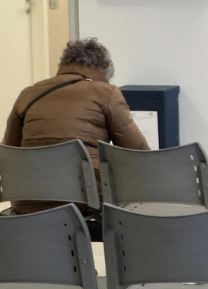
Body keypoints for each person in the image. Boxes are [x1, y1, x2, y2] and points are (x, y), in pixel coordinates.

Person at [3, 38, 149, 213]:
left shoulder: (28, 94)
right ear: (103, 72)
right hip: (87, 201)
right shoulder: (106, 93)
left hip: (28, 201)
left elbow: (7, 154)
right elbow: (138, 155)